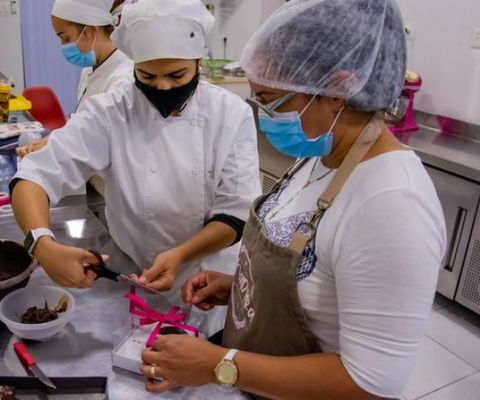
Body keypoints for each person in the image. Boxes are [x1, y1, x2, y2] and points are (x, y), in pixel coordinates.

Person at [138, 0, 447, 398]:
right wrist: (243, 286)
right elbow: (318, 286)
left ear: (336, 90)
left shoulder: (391, 204)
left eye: (270, 98)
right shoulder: (319, 156)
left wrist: (218, 366)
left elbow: (370, 385)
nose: (261, 111)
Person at [10, 0, 261, 334]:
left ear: (198, 61)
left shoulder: (230, 115)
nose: (163, 88)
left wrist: (181, 254)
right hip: (131, 272)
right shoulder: (112, 110)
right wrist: (42, 244)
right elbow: (34, 176)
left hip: (205, 279)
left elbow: (235, 214)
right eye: (147, 75)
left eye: (177, 75)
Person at [16, 0, 133, 158]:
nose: (63, 46)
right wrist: (53, 140)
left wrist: (55, 146)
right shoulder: (89, 68)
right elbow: (85, 124)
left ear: (90, 31)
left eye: (65, 38)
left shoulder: (123, 79)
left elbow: (103, 142)